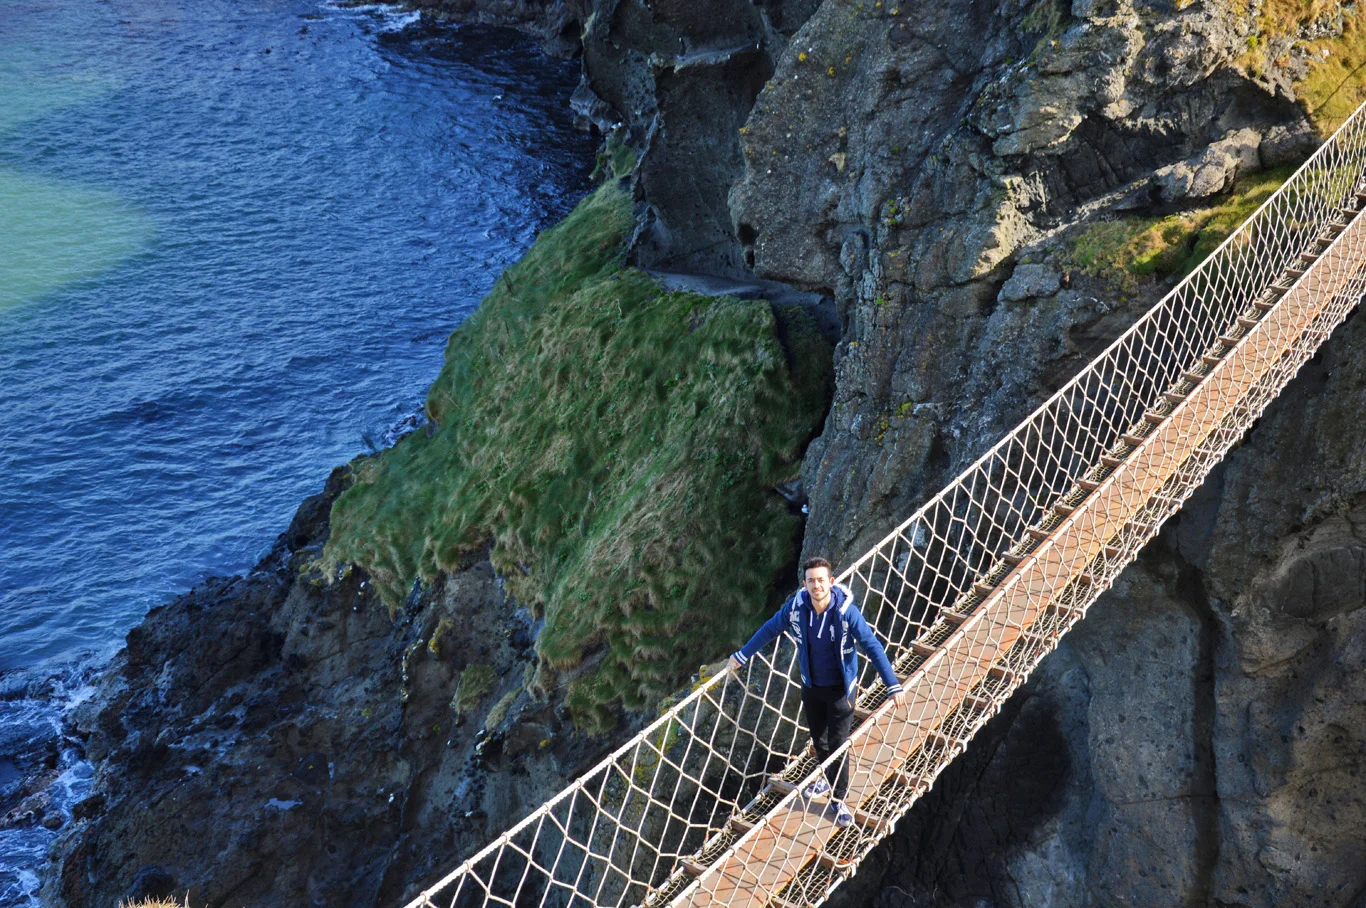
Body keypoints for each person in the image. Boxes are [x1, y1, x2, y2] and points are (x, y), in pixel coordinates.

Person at [729, 557, 906, 827]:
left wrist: (891, 684)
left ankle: (839, 800)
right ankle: (826, 777)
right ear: (804, 584)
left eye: (821, 579)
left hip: (840, 692)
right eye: (811, 580)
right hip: (811, 688)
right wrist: (742, 655)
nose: (816, 585)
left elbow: (871, 645)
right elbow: (770, 628)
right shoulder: (797, 609)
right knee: (819, 742)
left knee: (838, 746)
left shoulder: (846, 612)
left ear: (831, 582)